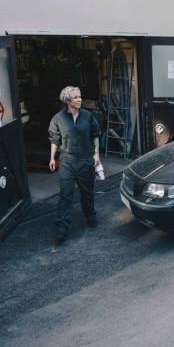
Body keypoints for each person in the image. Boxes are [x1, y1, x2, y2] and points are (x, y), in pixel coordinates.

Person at [48, 86, 101, 242]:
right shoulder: (58, 118)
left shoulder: (88, 116)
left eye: (80, 96)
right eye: (76, 97)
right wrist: (52, 158)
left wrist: (96, 153)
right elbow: (54, 140)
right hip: (67, 161)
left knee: (87, 192)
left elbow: (95, 134)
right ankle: (62, 228)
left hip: (86, 159)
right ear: (67, 100)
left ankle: (90, 216)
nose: (80, 99)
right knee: (66, 195)